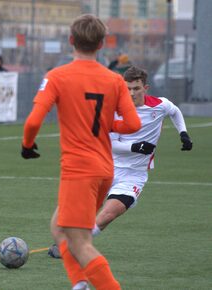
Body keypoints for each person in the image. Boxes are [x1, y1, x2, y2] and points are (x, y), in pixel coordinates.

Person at [21, 14, 141, 290]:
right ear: (101, 44)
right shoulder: (113, 80)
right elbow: (133, 123)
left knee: (80, 243)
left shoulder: (57, 77)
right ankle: (80, 284)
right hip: (104, 171)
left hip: (79, 172)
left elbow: (33, 121)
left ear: (71, 40)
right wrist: (109, 123)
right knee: (58, 228)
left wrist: (27, 145)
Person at [48, 66, 193, 283]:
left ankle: (76, 247)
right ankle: (74, 244)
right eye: (127, 88)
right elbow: (106, 140)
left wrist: (183, 133)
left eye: (136, 88)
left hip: (133, 175)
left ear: (146, 87)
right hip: (106, 167)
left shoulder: (160, 105)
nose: (131, 93)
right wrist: (135, 147)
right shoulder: (114, 108)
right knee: (82, 211)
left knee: (110, 213)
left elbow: (175, 111)